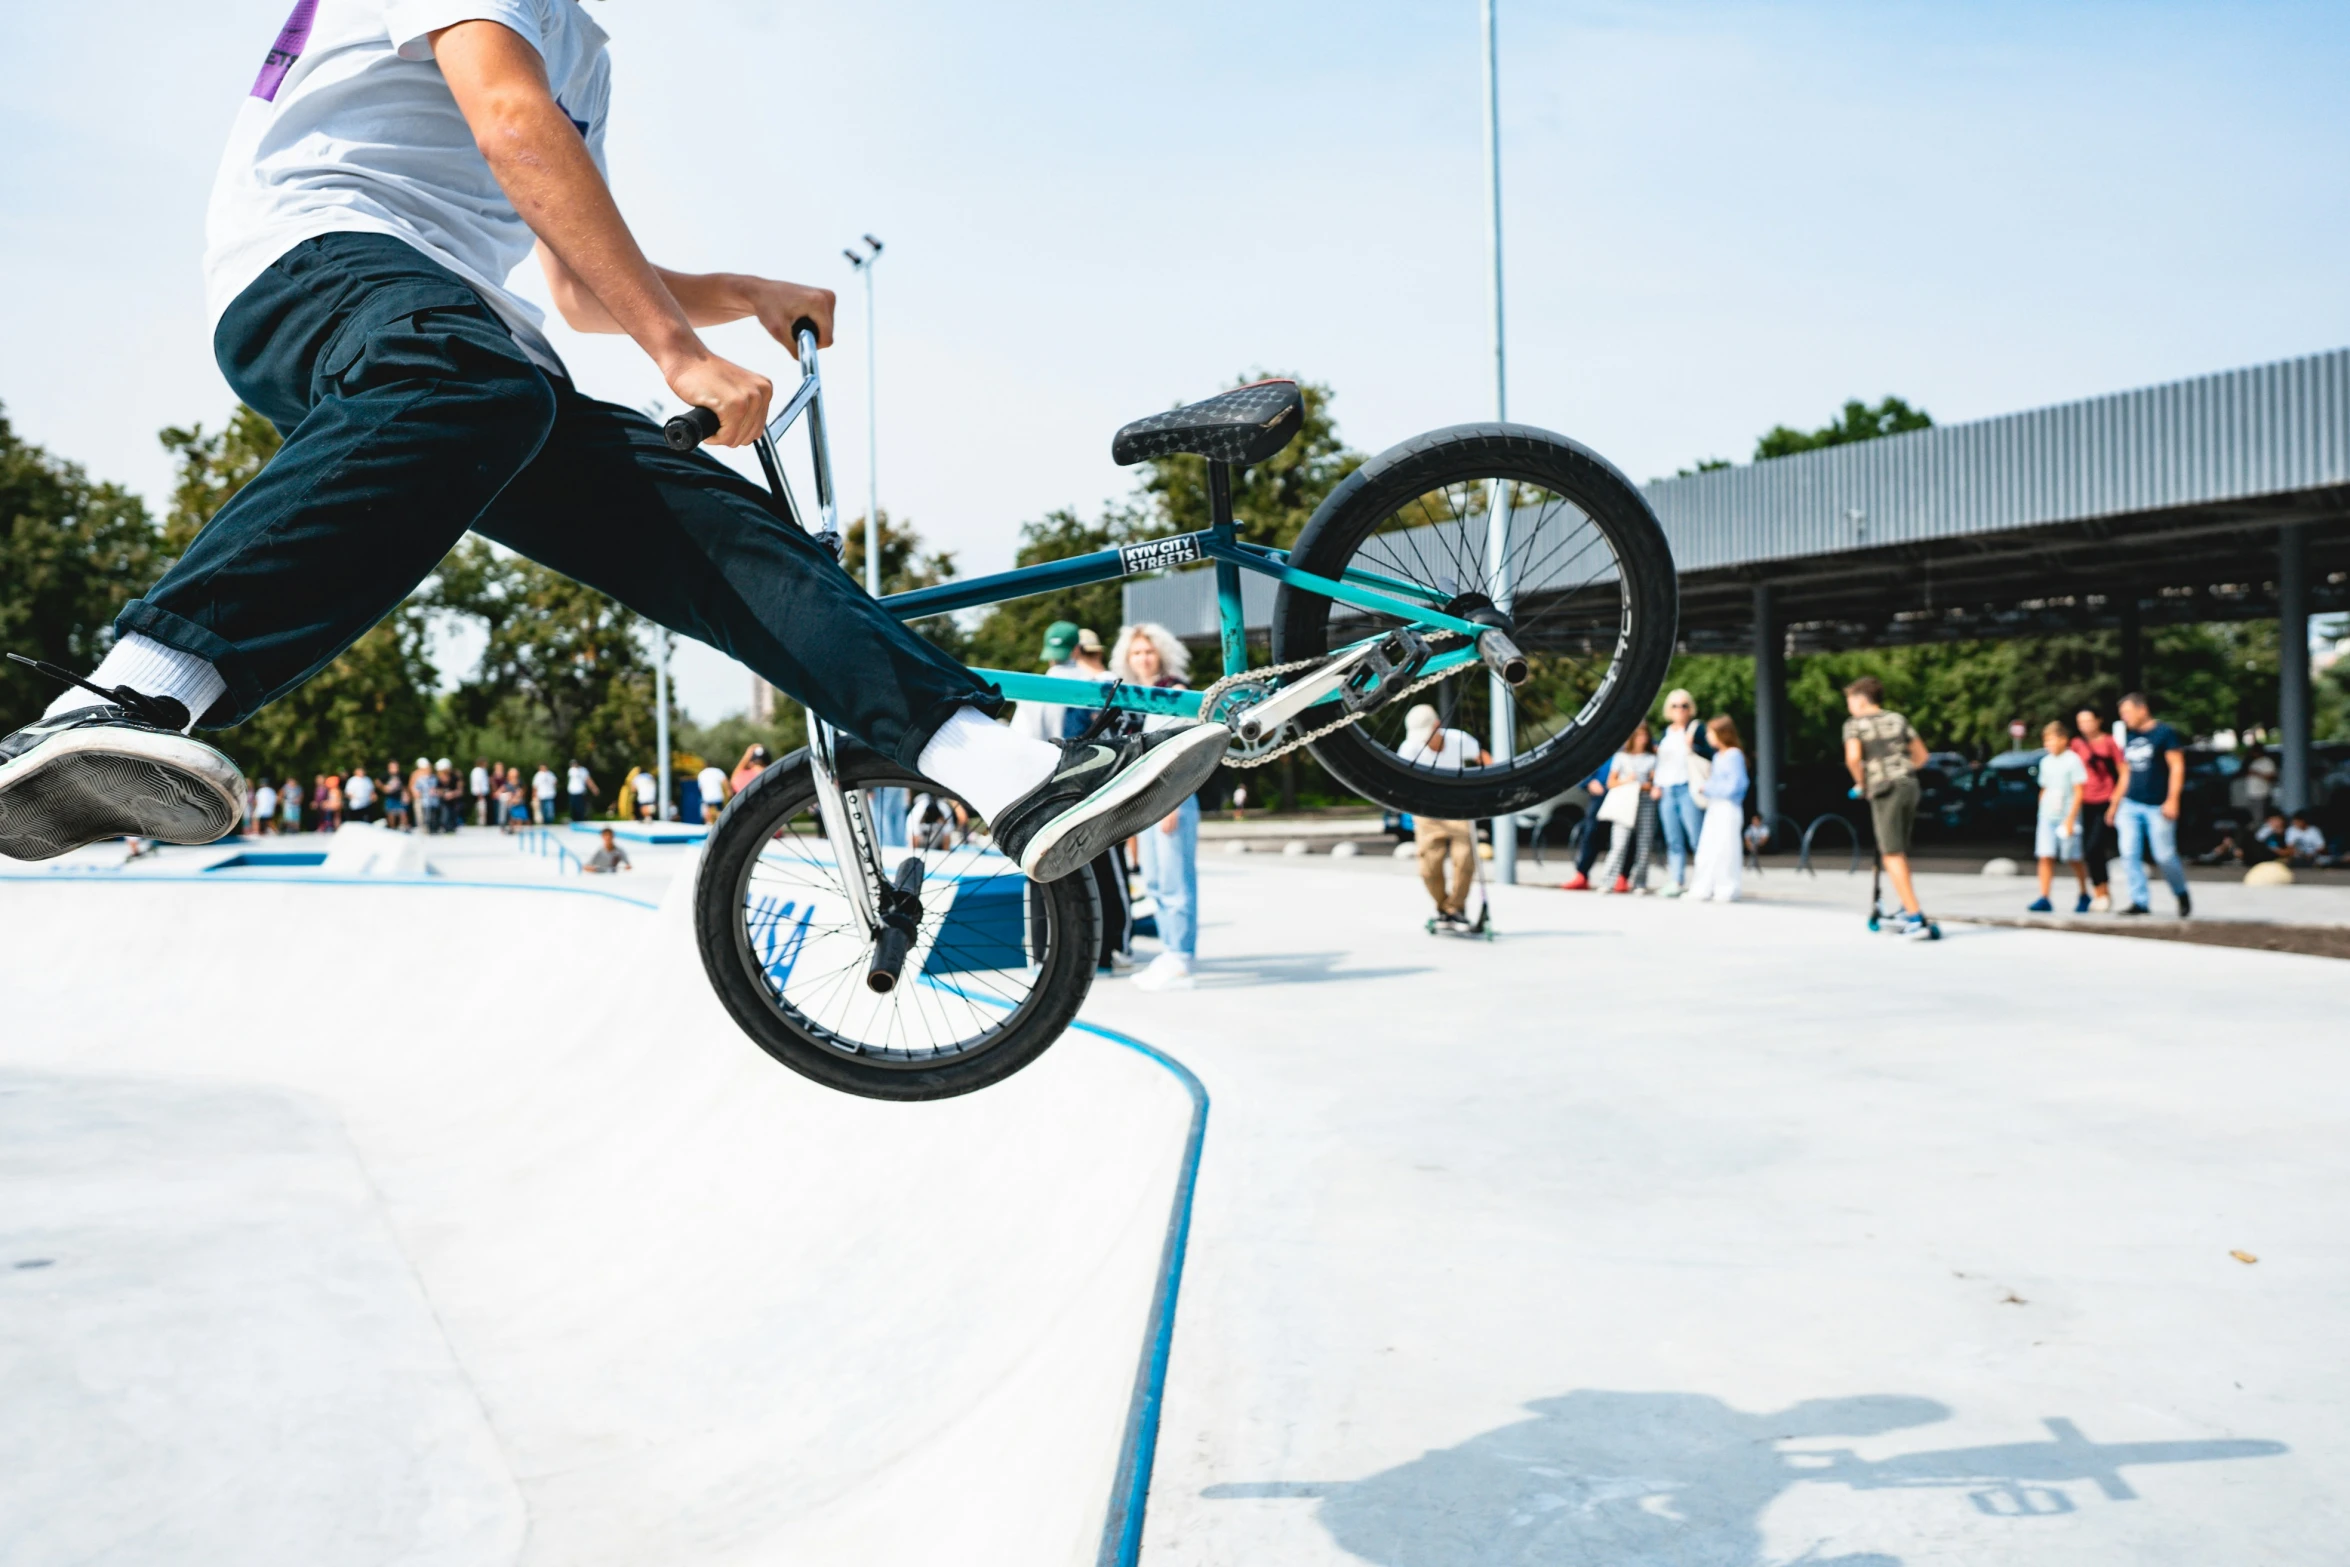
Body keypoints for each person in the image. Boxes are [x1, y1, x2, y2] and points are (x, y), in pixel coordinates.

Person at [0, 6, 1225, 881]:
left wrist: (738, 290)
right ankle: (123, 698)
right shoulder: (514, 40)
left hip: (471, 344)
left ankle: (1000, 767)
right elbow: (505, 123)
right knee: (466, 377)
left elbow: (574, 287)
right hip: (321, 264)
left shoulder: (581, 43)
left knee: (713, 528)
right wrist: (679, 356)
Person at [1116, 623, 1198, 991]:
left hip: (1172, 798)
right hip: (1149, 800)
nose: (1143, 658)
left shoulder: (1175, 692)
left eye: (1148, 651)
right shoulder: (1139, 696)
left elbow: (1185, 750)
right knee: (1154, 881)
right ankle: (1170, 953)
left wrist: (1173, 802)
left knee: (1174, 880)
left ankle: (1180, 956)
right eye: (1136, 652)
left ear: (1161, 652)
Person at [1841, 676, 1936, 938]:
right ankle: (1907, 907)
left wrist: (1862, 784)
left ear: (1860, 699)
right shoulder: (1897, 719)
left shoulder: (1855, 724)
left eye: (1849, 700)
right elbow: (1922, 756)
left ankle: (1916, 917)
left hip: (1884, 789)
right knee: (1899, 851)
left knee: (1891, 853)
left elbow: (1852, 758)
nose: (1849, 706)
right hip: (1909, 785)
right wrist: (1900, 771)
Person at [1398, 703, 1490, 930]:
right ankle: (1443, 908)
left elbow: (1483, 757)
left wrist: (1489, 785)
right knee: (1429, 865)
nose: (1424, 740)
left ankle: (1456, 908)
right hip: (1427, 811)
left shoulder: (1458, 740)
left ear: (1437, 726)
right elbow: (1402, 781)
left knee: (1464, 859)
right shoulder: (1410, 747)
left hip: (1458, 809)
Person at [2111, 691, 2190, 918]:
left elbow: (2177, 766)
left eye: (2127, 712)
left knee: (2164, 855)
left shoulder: (2164, 733)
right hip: (2130, 804)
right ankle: (2139, 901)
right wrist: (2115, 803)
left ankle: (2180, 892)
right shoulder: (2130, 736)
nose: (2124, 717)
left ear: (2142, 709)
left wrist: (2173, 799)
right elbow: (2126, 772)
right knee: (2128, 853)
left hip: (2158, 805)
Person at [1651, 689, 1713, 897]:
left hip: (1688, 788)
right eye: (1676, 705)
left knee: (1696, 838)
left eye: (1684, 705)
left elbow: (1711, 754)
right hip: (1667, 789)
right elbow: (1660, 763)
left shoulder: (1696, 729)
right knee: (1673, 839)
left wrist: (1693, 745)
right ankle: (1676, 881)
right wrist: (1656, 785)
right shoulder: (1665, 733)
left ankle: (1704, 881)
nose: (1680, 709)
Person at [2028, 721, 2089, 913]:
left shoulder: (2072, 760)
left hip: (2066, 816)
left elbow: (2078, 791)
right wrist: (2041, 808)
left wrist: (2071, 818)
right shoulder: (2046, 762)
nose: (2049, 744)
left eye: (2052, 739)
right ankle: (2044, 896)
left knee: (2072, 857)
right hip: (2047, 815)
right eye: (2046, 740)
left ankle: (2083, 893)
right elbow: (2044, 787)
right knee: (2045, 855)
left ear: (2064, 740)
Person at [1688, 715, 1749, 902]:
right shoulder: (1718, 756)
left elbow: (1736, 785)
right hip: (1716, 806)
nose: (1708, 736)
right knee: (1709, 846)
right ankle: (1705, 886)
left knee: (1725, 847)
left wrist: (1708, 788)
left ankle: (1726, 887)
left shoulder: (1733, 755)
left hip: (1728, 807)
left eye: (1711, 732)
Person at [1597, 723, 1660, 895]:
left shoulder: (1652, 758)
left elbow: (1654, 783)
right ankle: (1607, 881)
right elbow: (1611, 782)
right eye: (1639, 735)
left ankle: (1639, 882)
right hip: (1625, 802)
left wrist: (1644, 785)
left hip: (1644, 802)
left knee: (1644, 844)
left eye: (1645, 735)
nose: (1643, 739)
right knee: (1619, 844)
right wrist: (1628, 781)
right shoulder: (1621, 757)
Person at [2071, 707, 2123, 912]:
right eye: (2080, 721)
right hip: (2084, 802)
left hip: (2105, 800)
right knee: (2088, 850)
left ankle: (2104, 892)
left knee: (2095, 846)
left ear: (2098, 720)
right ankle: (2099, 892)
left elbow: (2123, 772)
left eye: (2087, 720)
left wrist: (2115, 802)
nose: (2084, 725)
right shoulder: (2076, 744)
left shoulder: (2109, 742)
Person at [697, 760, 729, 825]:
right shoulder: (718, 771)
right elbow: (725, 782)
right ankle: (722, 824)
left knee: (708, 812)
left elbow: (700, 788)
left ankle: (709, 826)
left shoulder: (701, 773)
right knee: (719, 812)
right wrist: (729, 792)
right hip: (718, 796)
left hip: (707, 797)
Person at [565, 759, 597, 824]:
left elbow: (588, 780)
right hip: (572, 792)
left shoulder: (583, 770)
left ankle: (581, 821)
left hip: (580, 792)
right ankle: (574, 820)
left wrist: (594, 788)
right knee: (573, 808)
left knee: (580, 808)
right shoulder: (571, 770)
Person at [380, 759, 408, 830]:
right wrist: (383, 788)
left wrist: (406, 794)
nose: (395, 769)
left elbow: (404, 786)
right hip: (390, 797)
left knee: (403, 812)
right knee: (390, 812)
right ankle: (392, 828)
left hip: (399, 796)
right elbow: (378, 782)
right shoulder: (386, 775)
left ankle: (403, 827)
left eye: (396, 767)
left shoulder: (401, 775)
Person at [530, 762, 558, 826]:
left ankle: (549, 824)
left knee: (550, 812)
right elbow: (535, 786)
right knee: (542, 812)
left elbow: (555, 782)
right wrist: (534, 796)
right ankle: (543, 824)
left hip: (549, 795)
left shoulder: (550, 774)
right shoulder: (538, 775)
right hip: (541, 796)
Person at [470, 757, 493, 827]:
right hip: (480, 794)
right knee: (481, 811)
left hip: (483, 793)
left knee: (484, 811)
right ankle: (481, 825)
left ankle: (483, 824)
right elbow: (477, 783)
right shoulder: (477, 771)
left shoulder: (483, 770)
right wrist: (480, 795)